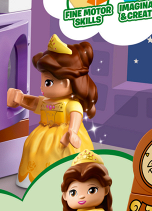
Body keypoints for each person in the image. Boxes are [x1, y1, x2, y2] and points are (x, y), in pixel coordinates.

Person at [7, 35, 96, 188]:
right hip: (42, 135)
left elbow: (76, 117)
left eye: (47, 82)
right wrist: (20, 99)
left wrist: (72, 132)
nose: (42, 87)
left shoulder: (72, 104)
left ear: (67, 83)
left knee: (61, 154)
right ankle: (31, 180)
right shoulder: (46, 101)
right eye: (42, 81)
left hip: (63, 136)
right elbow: (34, 103)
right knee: (32, 149)